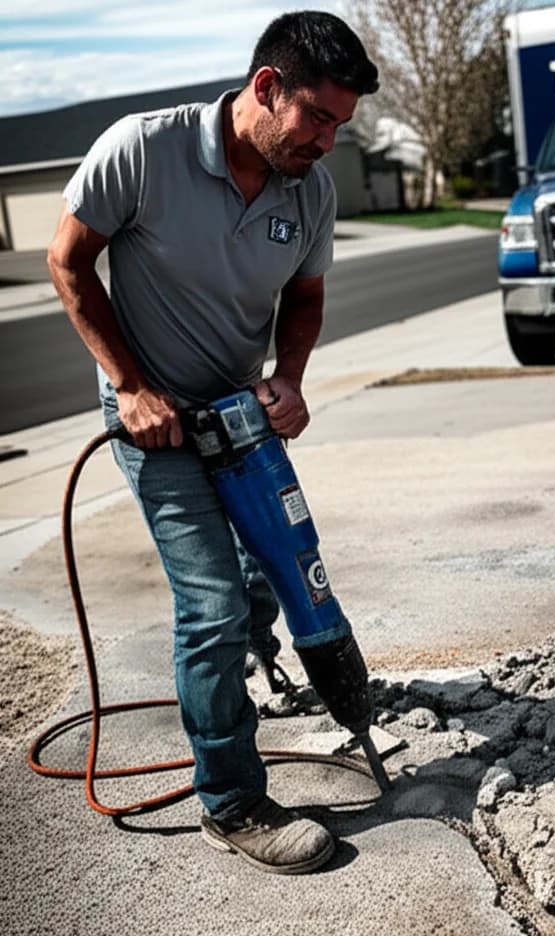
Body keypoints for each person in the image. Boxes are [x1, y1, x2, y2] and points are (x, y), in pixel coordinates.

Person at [48, 11, 379, 875]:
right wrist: (129, 387)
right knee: (212, 607)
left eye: (342, 127)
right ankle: (230, 803)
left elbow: (303, 295)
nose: (328, 142)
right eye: (317, 118)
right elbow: (67, 262)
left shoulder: (309, 188)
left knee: (271, 573)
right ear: (266, 89)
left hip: (238, 416)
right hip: (150, 417)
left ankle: (231, 679)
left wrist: (292, 375)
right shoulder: (143, 150)